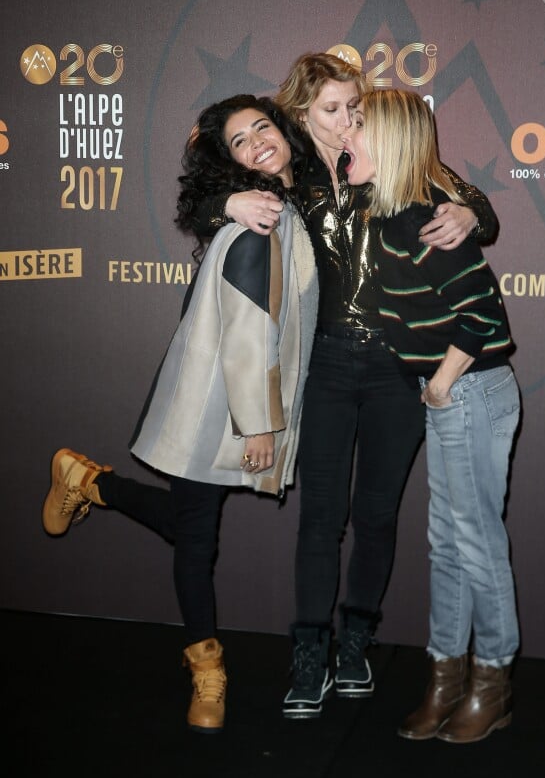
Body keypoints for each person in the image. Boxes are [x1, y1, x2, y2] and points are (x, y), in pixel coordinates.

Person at [189, 53, 500, 720]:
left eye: (354, 108)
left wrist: (472, 214)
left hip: (397, 367)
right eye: (330, 110)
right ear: (299, 113)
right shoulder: (289, 175)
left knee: (379, 514)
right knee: (320, 517)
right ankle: (310, 651)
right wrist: (226, 199)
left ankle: (356, 639)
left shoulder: (384, 159)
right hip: (325, 364)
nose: (346, 121)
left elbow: (471, 203)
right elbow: (202, 197)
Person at [41, 95, 319, 735]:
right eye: (240, 141)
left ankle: (87, 481)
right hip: (222, 408)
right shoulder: (258, 221)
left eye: (262, 128)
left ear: (284, 132)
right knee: (196, 538)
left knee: (190, 525)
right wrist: (259, 426)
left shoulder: (288, 205)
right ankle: (206, 668)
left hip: (239, 399)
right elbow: (250, 334)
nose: (257, 143)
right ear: (231, 162)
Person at [342, 88, 520, 743]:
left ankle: (494, 682)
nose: (344, 136)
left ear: (390, 141)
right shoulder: (381, 212)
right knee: (447, 546)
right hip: (446, 395)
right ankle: (447, 679)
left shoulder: (429, 221)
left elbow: (484, 317)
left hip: (470, 390)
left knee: (476, 546)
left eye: (358, 125)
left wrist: (441, 382)